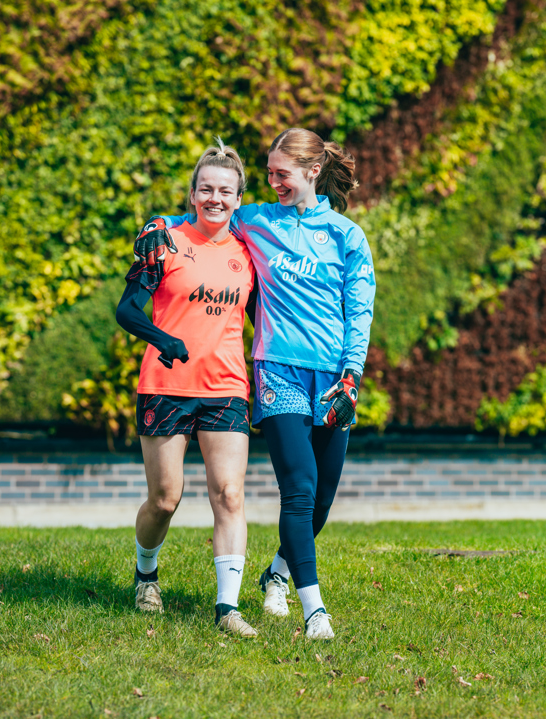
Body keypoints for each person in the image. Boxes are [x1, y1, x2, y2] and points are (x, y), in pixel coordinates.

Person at [133, 127, 376, 640]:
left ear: (312, 173)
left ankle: (277, 575)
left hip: (333, 379)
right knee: (299, 491)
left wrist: (352, 375)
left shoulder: (348, 237)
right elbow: (205, 214)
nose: (273, 183)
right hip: (275, 371)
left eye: (281, 175)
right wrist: (158, 223)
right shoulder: (258, 220)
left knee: (322, 501)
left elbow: (360, 312)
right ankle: (314, 610)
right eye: (267, 174)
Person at [117, 138, 259, 638]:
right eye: (205, 189)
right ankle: (146, 575)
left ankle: (228, 609)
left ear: (239, 198)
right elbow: (126, 310)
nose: (215, 198)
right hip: (164, 384)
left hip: (225, 387)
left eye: (225, 191)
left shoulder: (249, 251)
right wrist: (164, 339)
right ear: (193, 194)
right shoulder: (165, 242)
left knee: (229, 493)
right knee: (165, 498)